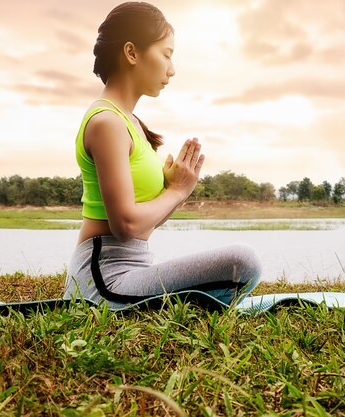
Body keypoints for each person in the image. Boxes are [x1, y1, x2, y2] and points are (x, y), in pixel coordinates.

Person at [64, 1, 262, 308]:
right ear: (131, 53)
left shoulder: (129, 124)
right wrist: (177, 190)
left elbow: (144, 225)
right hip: (103, 281)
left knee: (242, 265)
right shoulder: (107, 123)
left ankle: (197, 307)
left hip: (131, 271)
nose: (171, 69)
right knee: (242, 261)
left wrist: (176, 191)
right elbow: (126, 226)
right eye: (166, 54)